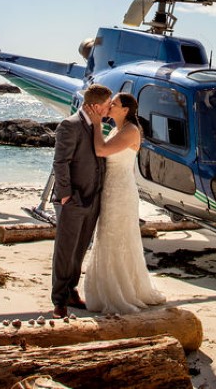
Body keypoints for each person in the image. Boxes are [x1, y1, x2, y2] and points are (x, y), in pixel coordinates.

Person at [82, 92, 167, 314]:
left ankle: (122, 291)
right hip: (111, 189)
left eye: (114, 104)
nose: (110, 106)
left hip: (120, 191)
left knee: (116, 236)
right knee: (108, 236)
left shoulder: (130, 131)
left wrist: (97, 124)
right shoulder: (120, 130)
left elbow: (101, 150)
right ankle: (109, 287)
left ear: (125, 110)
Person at [50, 83, 112, 319]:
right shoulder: (70, 125)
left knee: (80, 250)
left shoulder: (97, 126)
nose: (108, 110)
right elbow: (60, 162)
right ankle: (59, 300)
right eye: (107, 106)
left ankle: (71, 291)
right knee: (66, 250)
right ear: (95, 106)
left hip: (93, 199)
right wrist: (66, 194)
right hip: (73, 199)